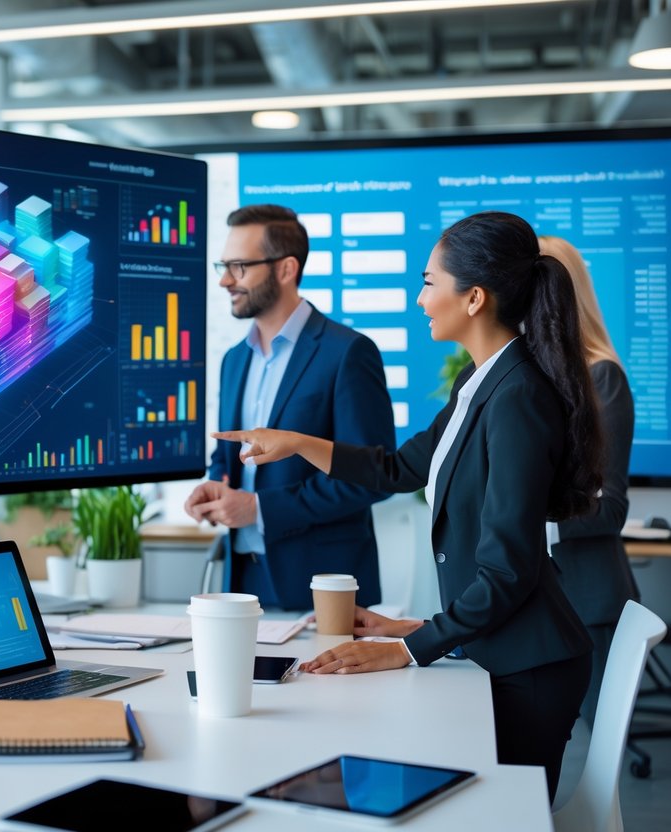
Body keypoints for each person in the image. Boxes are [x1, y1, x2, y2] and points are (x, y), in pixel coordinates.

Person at [215, 211, 600, 801]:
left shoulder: (517, 396)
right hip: (505, 652)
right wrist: (294, 441)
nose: (419, 298)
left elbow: (507, 570)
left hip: (530, 668)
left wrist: (405, 648)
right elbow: (397, 469)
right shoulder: (479, 385)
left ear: (472, 298)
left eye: (428, 282)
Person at [183, 204, 395, 610]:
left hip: (322, 588)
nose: (226, 280)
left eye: (240, 266)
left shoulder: (348, 353)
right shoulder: (233, 360)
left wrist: (259, 508)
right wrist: (216, 486)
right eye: (223, 266)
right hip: (241, 583)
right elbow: (230, 455)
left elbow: (372, 477)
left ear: (285, 269)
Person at [539, 235, 639, 729]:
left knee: (593, 745)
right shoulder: (526, 376)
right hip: (539, 599)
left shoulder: (603, 379)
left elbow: (612, 508)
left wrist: (534, 525)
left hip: (589, 598)